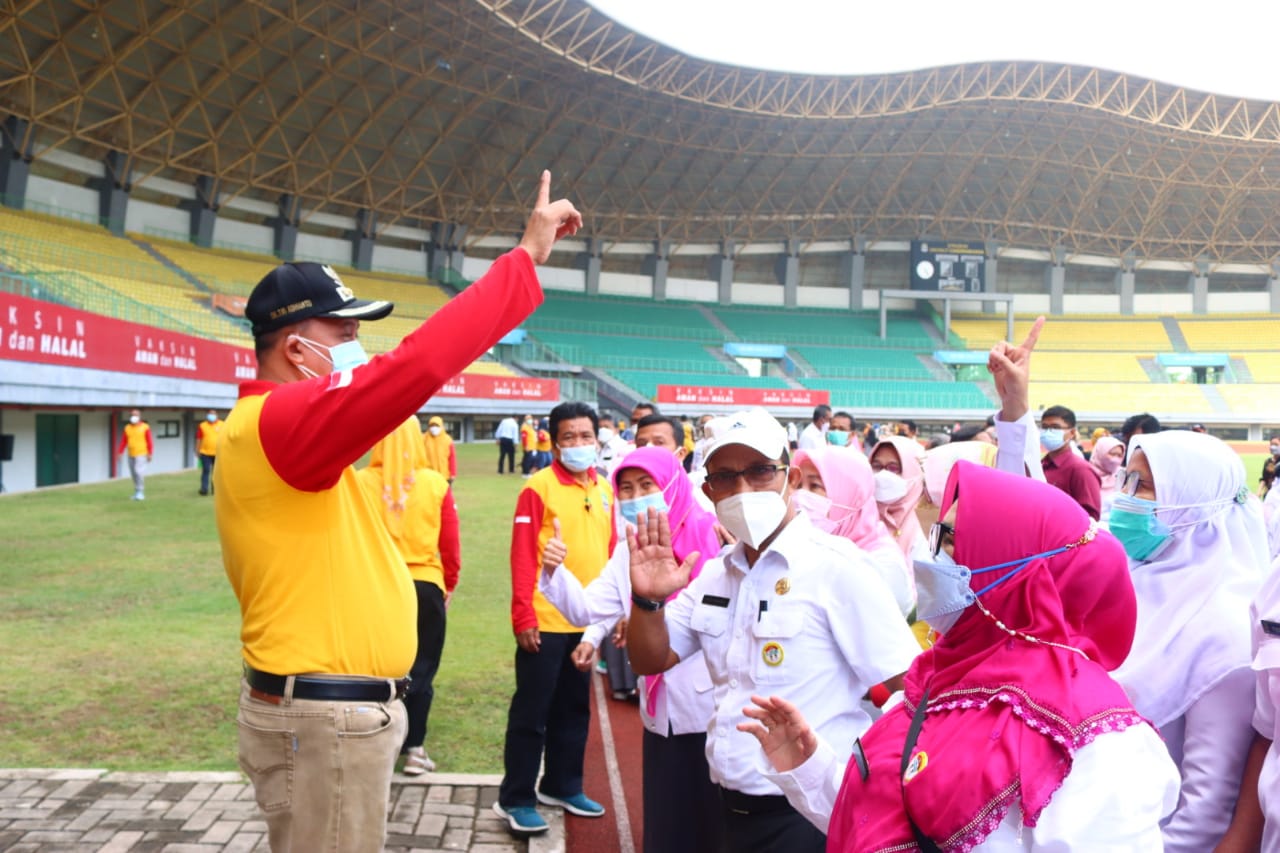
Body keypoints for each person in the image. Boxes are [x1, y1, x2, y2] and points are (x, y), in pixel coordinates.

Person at [214, 169, 580, 853]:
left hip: (327, 714)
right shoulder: (280, 420)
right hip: (321, 717)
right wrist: (524, 258)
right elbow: (413, 367)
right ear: (296, 347)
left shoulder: (276, 429)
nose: (360, 345)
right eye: (344, 328)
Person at [742, 462, 1180, 850]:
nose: (932, 558)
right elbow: (884, 822)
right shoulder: (938, 680)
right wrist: (809, 769)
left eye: (953, 541)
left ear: (1019, 574)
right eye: (937, 536)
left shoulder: (1092, 737)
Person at [626, 408, 920, 853]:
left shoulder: (837, 568)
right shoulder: (714, 575)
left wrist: (877, 787)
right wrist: (647, 601)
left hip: (809, 815)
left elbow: (908, 686)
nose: (743, 489)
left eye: (761, 471)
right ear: (708, 490)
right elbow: (651, 660)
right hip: (726, 806)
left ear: (792, 479)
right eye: (725, 477)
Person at [540, 445, 724, 853]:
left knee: (714, 832)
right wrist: (554, 570)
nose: (636, 495)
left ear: (673, 484)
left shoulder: (714, 537)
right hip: (661, 718)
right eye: (626, 488)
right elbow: (586, 608)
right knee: (667, 828)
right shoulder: (629, 548)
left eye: (647, 485)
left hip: (714, 718)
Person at [1109, 430, 1268, 851]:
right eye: (1125, 481)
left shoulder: (1224, 633)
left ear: (1191, 503)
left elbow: (1206, 808)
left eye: (1140, 486)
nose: (1124, 499)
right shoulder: (1137, 584)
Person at [496, 401, 614, 837]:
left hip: (584, 622)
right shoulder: (539, 487)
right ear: (554, 441)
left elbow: (610, 554)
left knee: (573, 710)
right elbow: (523, 552)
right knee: (532, 712)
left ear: (597, 440)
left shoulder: (604, 489)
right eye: (569, 437)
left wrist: (611, 615)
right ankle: (516, 797)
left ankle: (562, 786)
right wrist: (523, 614)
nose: (579, 444)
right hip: (544, 620)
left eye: (586, 436)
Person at [357, 416, 460, 777]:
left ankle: (373, 743)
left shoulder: (360, 483)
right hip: (424, 585)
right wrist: (448, 582)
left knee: (372, 667)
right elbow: (450, 541)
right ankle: (414, 748)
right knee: (422, 667)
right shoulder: (435, 484)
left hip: (376, 585)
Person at [792, 445, 914, 616]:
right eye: (797, 486)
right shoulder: (800, 546)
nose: (799, 496)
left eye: (815, 486)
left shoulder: (882, 565)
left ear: (850, 495)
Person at [1038, 404, 1101, 520]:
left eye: (1055, 427)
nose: (1048, 432)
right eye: (1044, 427)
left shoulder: (1080, 469)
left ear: (1072, 433)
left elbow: (1090, 516)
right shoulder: (1040, 465)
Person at [115, 408, 153, 500]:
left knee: (138, 472)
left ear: (139, 417)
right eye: (132, 415)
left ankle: (140, 491)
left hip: (141, 453)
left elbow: (149, 441)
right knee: (133, 473)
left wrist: (150, 453)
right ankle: (136, 491)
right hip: (131, 454)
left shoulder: (145, 427)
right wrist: (120, 452)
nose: (133, 417)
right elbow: (124, 441)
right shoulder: (127, 428)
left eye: (135, 415)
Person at [1089, 434, 1125, 520]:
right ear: (1100, 453)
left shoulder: (1123, 475)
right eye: (1112, 454)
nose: (1115, 459)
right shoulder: (1086, 474)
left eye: (1119, 455)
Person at [422, 415, 456, 484]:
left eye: (436, 425)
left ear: (441, 426)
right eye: (432, 425)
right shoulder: (424, 439)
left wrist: (453, 473)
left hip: (444, 476)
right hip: (429, 476)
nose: (434, 428)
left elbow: (452, 457)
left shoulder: (447, 440)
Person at [196, 409, 223, 496]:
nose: (212, 416)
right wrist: (197, 450)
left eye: (213, 414)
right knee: (206, 470)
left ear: (217, 415)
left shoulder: (222, 424)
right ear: (207, 415)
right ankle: (204, 489)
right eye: (210, 414)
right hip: (205, 453)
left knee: (216, 473)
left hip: (218, 453)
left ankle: (215, 489)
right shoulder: (202, 425)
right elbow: (199, 439)